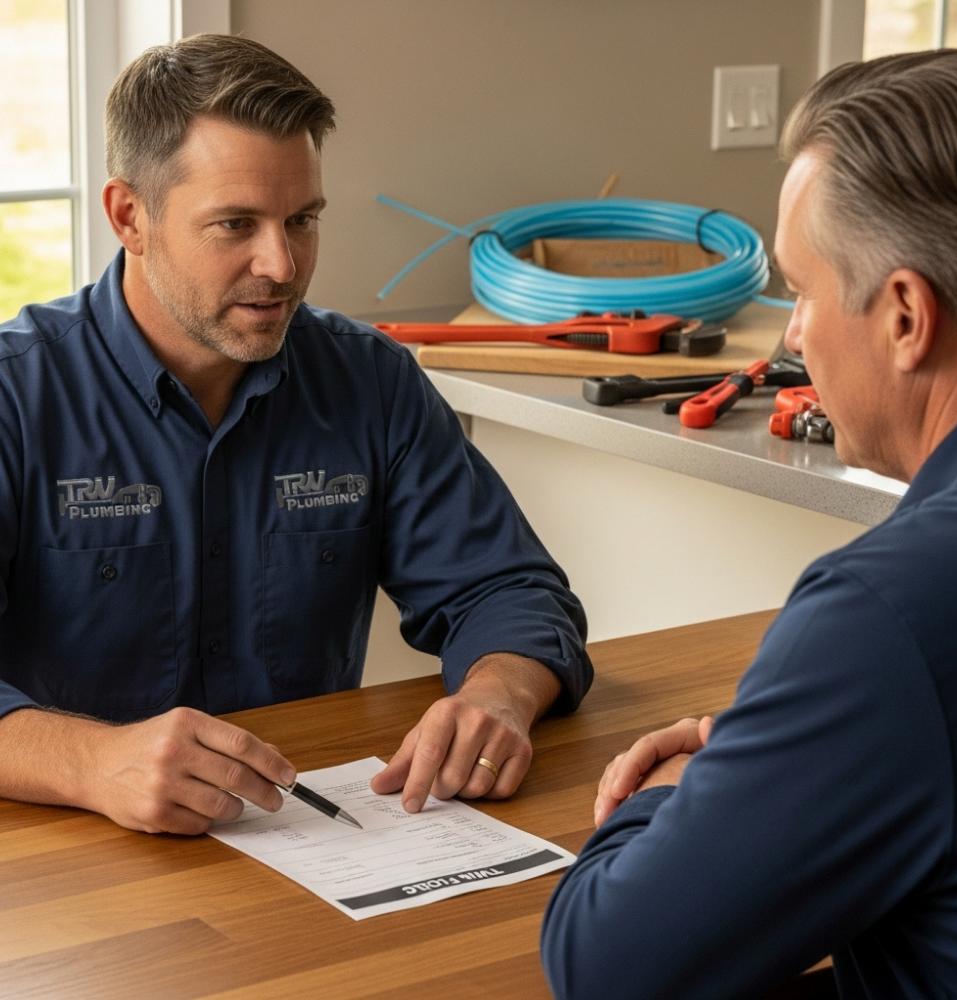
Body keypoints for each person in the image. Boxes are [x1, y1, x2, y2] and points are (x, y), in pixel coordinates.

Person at [0, 34, 592, 836]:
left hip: (310, 842)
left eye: (302, 219)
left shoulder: (371, 382)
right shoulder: (15, 396)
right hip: (67, 862)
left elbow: (509, 590)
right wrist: (93, 761)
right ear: (128, 217)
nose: (281, 264)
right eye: (235, 224)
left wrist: (498, 696)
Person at [541, 49, 957, 1000]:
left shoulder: (896, 610)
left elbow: (607, 968)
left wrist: (675, 801)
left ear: (906, 314)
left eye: (802, 289)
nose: (792, 333)